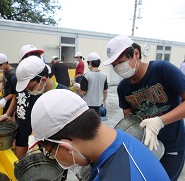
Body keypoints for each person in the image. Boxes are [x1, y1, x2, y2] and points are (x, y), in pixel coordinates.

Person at [30, 89, 170, 181]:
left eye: (49, 152)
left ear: (66, 146)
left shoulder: (119, 175)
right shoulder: (119, 139)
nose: (53, 158)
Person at [103, 34, 185, 181]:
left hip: (172, 146)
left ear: (136, 53)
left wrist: (159, 121)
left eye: (121, 62)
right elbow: (129, 121)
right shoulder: (123, 88)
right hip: (146, 148)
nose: (118, 68)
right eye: (114, 65)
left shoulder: (161, 70)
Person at [0, 45, 44, 159]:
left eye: (37, 56)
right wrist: (7, 114)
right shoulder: (15, 79)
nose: (35, 59)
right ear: (22, 61)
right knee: (21, 139)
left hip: (41, 116)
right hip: (24, 115)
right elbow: (15, 97)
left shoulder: (43, 77)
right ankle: (21, 167)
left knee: (44, 141)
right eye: (30, 57)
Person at [80, 52, 108, 118]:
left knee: (88, 123)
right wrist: (104, 100)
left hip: (87, 105)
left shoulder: (87, 75)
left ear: (90, 63)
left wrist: (78, 88)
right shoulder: (104, 75)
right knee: (96, 123)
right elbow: (105, 91)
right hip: (98, 104)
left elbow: (83, 91)